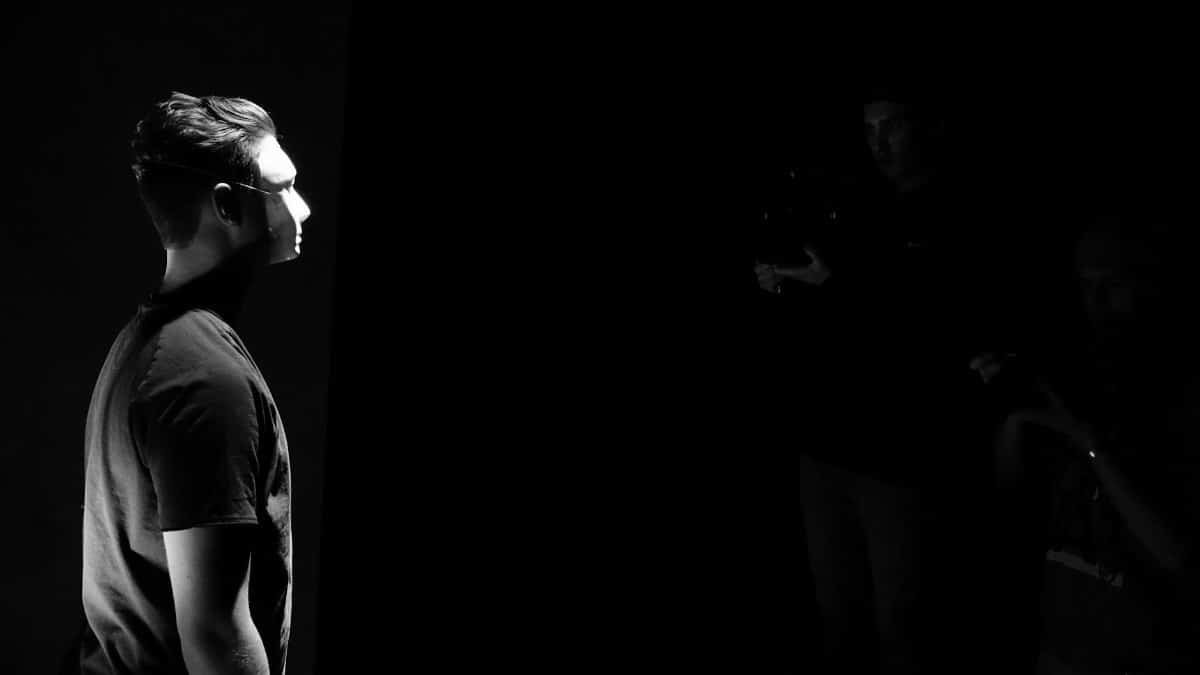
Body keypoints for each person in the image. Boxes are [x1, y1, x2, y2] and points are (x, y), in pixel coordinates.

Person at [766, 89, 1016, 673]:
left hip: (901, 461)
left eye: (891, 127)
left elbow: (936, 326)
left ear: (928, 127)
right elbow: (839, 315)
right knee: (839, 619)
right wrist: (789, 285)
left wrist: (837, 289)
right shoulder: (857, 209)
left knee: (904, 627)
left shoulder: (965, 214)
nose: (878, 143)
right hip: (828, 448)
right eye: (869, 129)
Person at [77, 92, 310, 675]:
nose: (300, 208)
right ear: (226, 207)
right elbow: (214, 634)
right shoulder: (201, 375)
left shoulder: (153, 343)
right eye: (281, 189)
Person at [994, 209, 1200, 674]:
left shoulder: (1181, 401)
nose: (1096, 303)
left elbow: (1178, 554)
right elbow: (1012, 498)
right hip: (1061, 640)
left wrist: (1090, 445)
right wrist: (1014, 418)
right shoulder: (1085, 374)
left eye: (1112, 286)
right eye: (1086, 286)